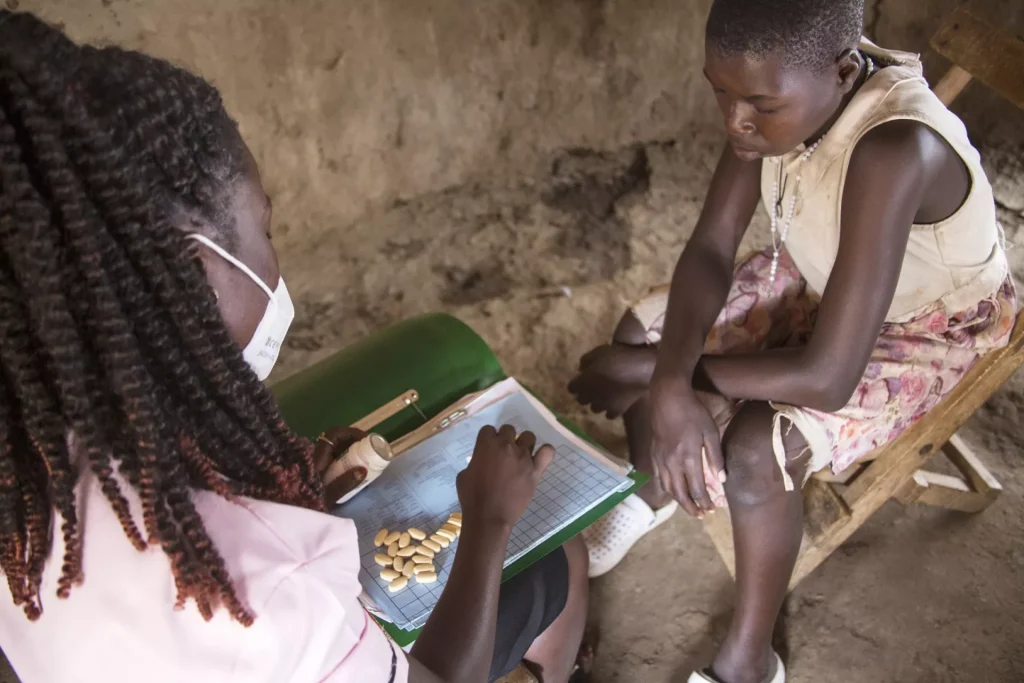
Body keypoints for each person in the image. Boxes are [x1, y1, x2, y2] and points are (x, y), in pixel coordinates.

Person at [0, 11, 589, 683]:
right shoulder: (267, 582)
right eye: (266, 228)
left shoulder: (28, 458)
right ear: (193, 276)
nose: (275, 263)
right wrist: (488, 521)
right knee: (556, 560)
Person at [569, 1, 1016, 682]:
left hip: (926, 323)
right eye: (719, 93)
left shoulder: (897, 148)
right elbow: (711, 249)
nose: (733, 121)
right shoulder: (776, 93)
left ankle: (749, 658)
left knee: (756, 447)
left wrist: (667, 376)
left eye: (754, 105)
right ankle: (656, 484)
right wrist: (664, 377)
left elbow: (829, 376)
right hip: (829, 272)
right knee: (647, 326)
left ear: (842, 71)